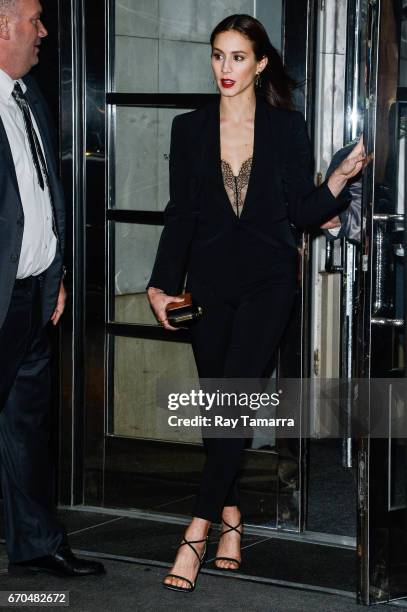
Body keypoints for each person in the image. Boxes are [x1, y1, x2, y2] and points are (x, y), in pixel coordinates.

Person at [147, 14, 368, 593]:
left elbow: (299, 213)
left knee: (236, 396)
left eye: (238, 57)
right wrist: (159, 284)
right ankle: (232, 521)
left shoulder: (285, 129)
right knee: (220, 406)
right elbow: (181, 216)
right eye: (218, 55)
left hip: (270, 284)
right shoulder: (188, 129)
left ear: (261, 62)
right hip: (209, 286)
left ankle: (193, 533)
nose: (225, 68)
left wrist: (340, 178)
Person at [0, 0, 104, 577]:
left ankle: (37, 545)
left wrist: (54, 272)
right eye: (34, 19)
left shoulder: (27, 95)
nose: (43, 31)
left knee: (26, 425)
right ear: (2, 24)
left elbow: (42, 197)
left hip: (33, 294)